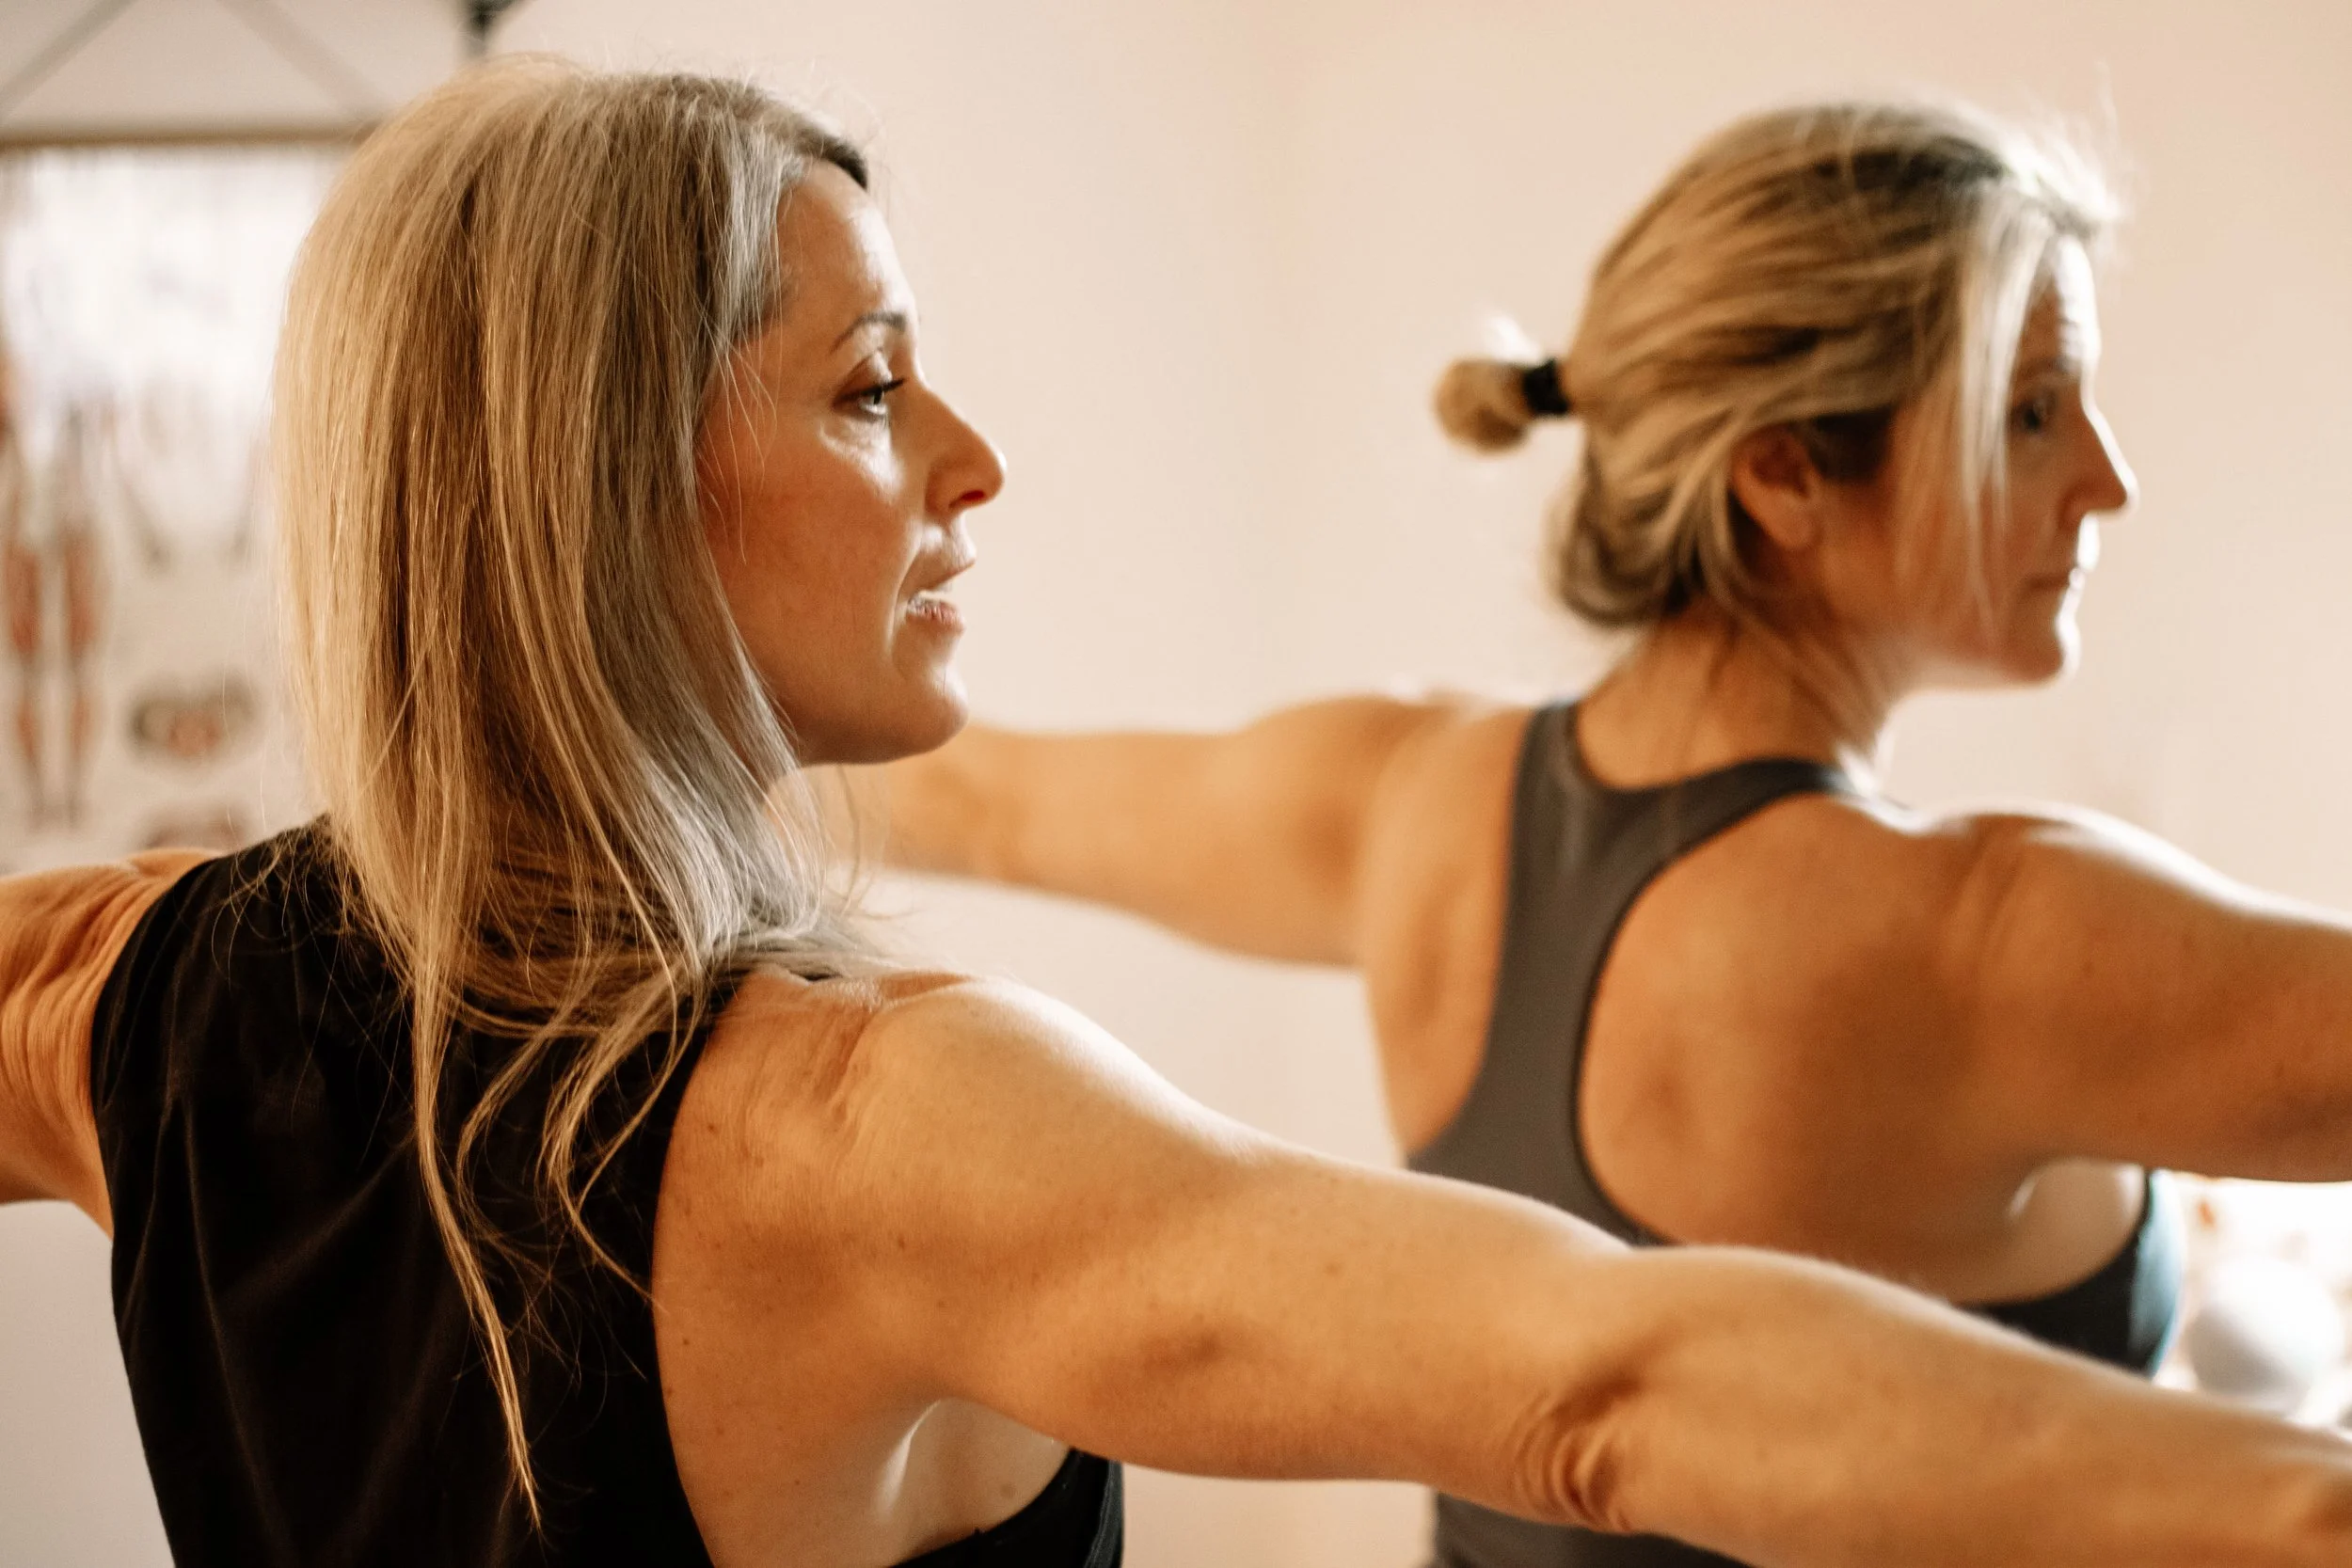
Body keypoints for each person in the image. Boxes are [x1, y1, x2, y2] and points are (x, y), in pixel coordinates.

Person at [4, 63, 2351, 1568]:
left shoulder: (141, 986)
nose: (972, 456)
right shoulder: (866, 1126)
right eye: (872, 387)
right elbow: (1602, 1385)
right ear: (604, 482)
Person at [863, 99, 2352, 1567]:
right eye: (2032, 410)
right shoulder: (1995, 936)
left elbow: (970, 798)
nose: (2109, 476)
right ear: (1782, 474)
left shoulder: (1407, 797)